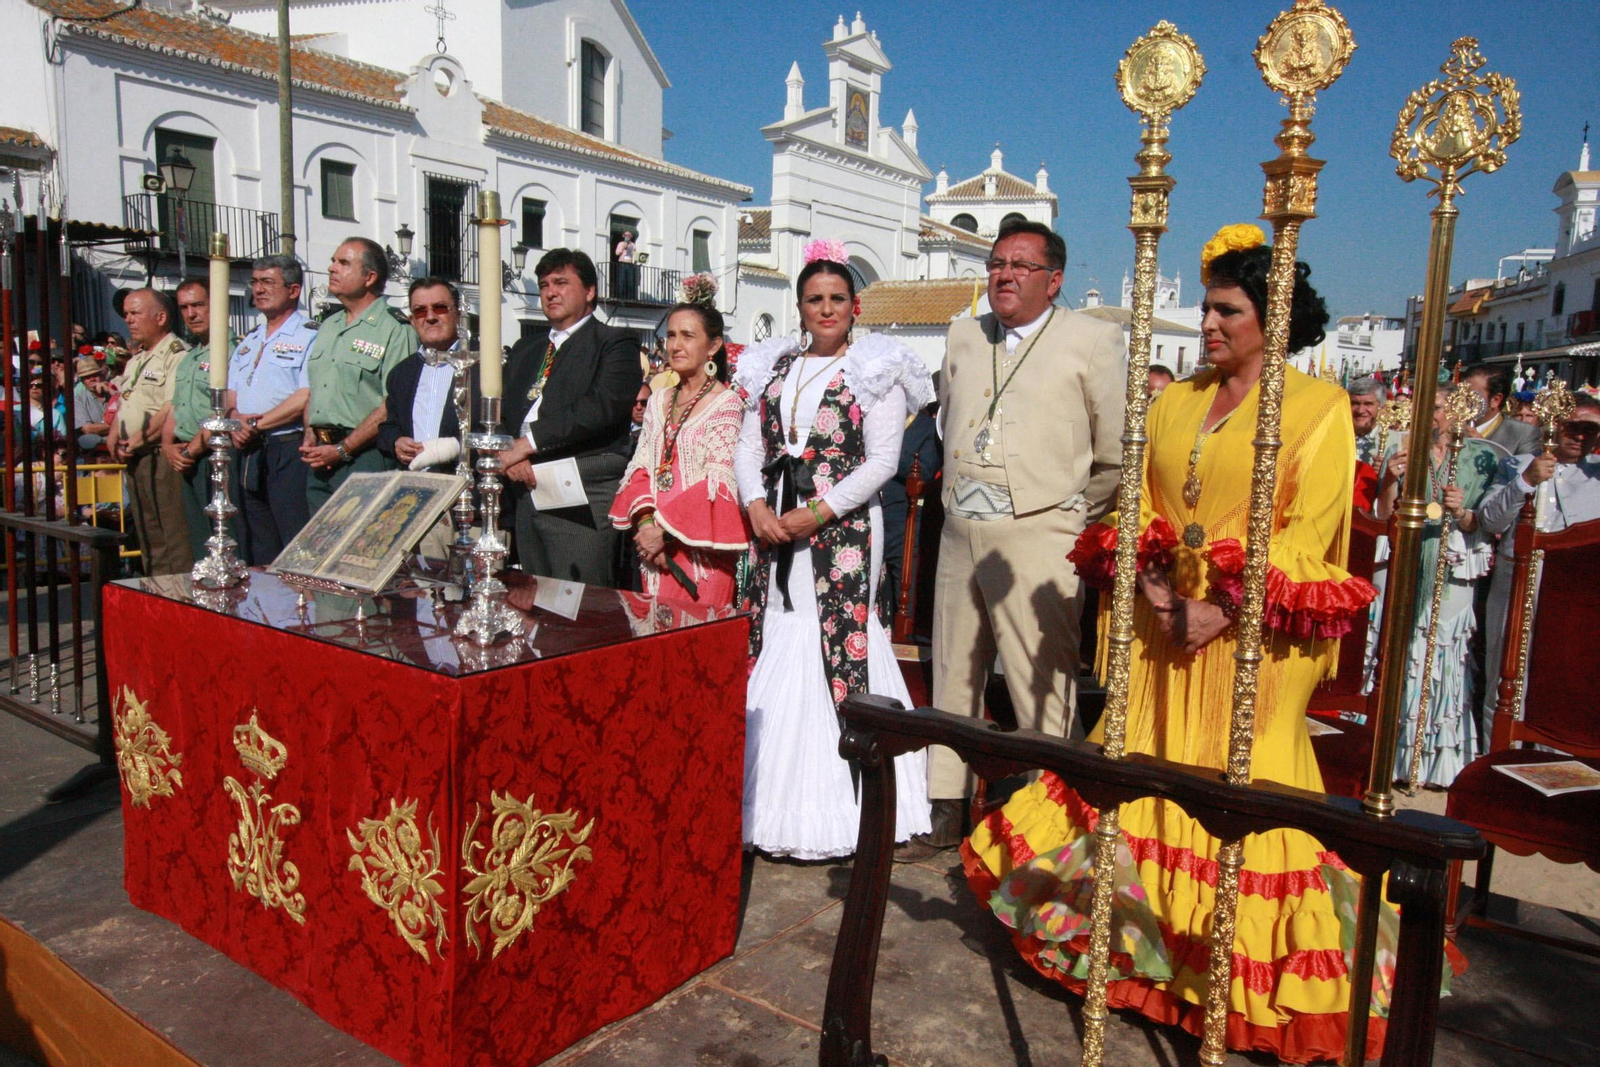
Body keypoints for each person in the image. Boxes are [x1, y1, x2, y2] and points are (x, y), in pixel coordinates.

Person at [963, 228, 1407, 1064]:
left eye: (1226, 310)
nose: (1207, 323)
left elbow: (1308, 535)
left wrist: (1226, 609)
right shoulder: (1173, 402)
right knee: (1144, 772)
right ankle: (1139, 951)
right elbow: (1136, 509)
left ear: (1273, 318)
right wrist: (1162, 592)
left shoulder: (1315, 408)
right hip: (1161, 631)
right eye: (1206, 308)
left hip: (1255, 643)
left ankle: (1230, 976)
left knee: (1244, 793)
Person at [920, 217, 1126, 857]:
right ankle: (944, 808)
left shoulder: (1091, 340)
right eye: (996, 264)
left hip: (1042, 530)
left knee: (1042, 680)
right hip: (960, 529)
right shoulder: (964, 334)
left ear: (1054, 280)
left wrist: (1067, 515)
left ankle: (1049, 820)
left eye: (1020, 266)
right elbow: (948, 418)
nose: (1004, 275)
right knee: (953, 671)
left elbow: (1117, 454)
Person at [734, 243, 933, 860]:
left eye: (837, 299)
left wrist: (816, 512)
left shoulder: (875, 369)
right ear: (799, 306)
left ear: (855, 306)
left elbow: (883, 462)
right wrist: (756, 505)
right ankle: (768, 800)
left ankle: (848, 804)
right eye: (815, 299)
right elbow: (749, 447)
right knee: (776, 629)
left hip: (841, 530)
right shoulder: (773, 367)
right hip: (774, 524)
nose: (826, 309)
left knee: (836, 636)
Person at [1366, 385, 1500, 787]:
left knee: (1443, 656)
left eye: (1439, 408)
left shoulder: (1483, 458)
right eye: (1428, 407)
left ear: (1458, 412)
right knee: (1401, 653)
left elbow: (1483, 523)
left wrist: (1462, 511)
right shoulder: (1403, 449)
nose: (1432, 415)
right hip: (1407, 563)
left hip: (1453, 568)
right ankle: (1389, 756)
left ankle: (1434, 761)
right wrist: (1390, 481)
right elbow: (1383, 516)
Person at [501, 248, 640, 584]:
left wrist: (528, 444)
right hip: (523, 487)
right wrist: (510, 453)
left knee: (577, 598)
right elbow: (502, 408)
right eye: (544, 285)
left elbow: (600, 407)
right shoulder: (526, 349)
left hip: (581, 489)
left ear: (589, 291)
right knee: (534, 593)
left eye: (561, 283)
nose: (550, 292)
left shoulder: (614, 343)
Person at [1474, 392, 1600, 746]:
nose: (1580, 437)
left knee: (1564, 677)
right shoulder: (1517, 465)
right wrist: (1526, 481)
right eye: (1572, 427)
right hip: (1518, 580)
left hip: (1575, 592)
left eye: (1591, 430)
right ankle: (1498, 755)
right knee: (1507, 675)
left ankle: (1553, 756)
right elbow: (1490, 520)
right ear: (1554, 424)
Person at [608, 302, 747, 606]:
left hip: (700, 557)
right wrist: (646, 525)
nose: (675, 345)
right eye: (671, 335)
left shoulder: (726, 403)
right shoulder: (658, 400)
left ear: (713, 346)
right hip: (652, 553)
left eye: (687, 336)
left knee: (697, 633)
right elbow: (640, 467)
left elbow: (719, 483)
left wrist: (664, 534)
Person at [301, 237, 417, 515]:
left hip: (365, 457)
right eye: (333, 261)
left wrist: (344, 449)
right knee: (321, 539)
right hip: (321, 457)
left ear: (369, 277)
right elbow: (317, 389)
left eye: (343, 263)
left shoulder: (394, 328)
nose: (332, 268)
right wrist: (310, 432)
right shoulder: (329, 325)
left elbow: (393, 403)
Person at [376, 277, 474, 559]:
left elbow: (500, 427)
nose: (430, 317)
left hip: (469, 504)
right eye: (420, 311)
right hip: (417, 503)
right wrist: (396, 442)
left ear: (457, 313)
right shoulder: (402, 373)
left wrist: (449, 448)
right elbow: (388, 426)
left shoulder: (483, 364)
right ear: (412, 319)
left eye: (439, 308)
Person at [230, 254, 317, 566]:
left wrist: (256, 424)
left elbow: (306, 394)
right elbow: (230, 391)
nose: (258, 289)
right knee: (256, 543)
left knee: (294, 544)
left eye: (268, 282)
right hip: (247, 450)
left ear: (293, 290)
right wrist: (235, 420)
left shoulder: (310, 335)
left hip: (286, 448)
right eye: (255, 282)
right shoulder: (250, 340)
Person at [113, 288, 192, 575]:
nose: (128, 320)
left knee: (172, 536)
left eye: (135, 313)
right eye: (126, 314)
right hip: (135, 456)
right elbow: (126, 403)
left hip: (160, 456)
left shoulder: (177, 355)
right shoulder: (136, 360)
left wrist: (138, 439)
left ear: (160, 317)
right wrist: (113, 436)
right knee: (148, 536)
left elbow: (171, 407)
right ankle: (155, 590)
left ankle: (177, 593)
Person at [164, 276, 235, 562]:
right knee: (198, 539)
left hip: (214, 455)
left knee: (222, 536)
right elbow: (176, 406)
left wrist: (193, 448)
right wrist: (167, 445)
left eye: (198, 305)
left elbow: (225, 407)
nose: (191, 314)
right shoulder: (189, 358)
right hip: (186, 456)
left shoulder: (232, 351)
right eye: (184, 308)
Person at [878, 382, 941, 623]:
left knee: (903, 599)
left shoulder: (926, 428)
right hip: (869, 519)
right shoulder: (873, 422)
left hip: (903, 524)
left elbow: (924, 471)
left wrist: (887, 450)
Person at [1462, 366, 1540, 457]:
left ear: (1495, 400)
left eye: (1470, 396)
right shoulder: (1450, 426)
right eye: (1460, 394)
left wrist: (1483, 448)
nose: (1461, 401)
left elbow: (1524, 465)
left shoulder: (1523, 433)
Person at [72, 356, 112, 454]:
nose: (92, 379)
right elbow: (87, 429)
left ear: (102, 376)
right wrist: (116, 427)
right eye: (87, 377)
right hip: (93, 450)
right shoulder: (78, 400)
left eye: (95, 375)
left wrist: (112, 392)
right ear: (82, 381)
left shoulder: (115, 393)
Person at [1348, 375, 1384, 466]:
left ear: (1382, 408)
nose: (1360, 410)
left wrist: (1386, 472)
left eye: (1368, 404)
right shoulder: (1334, 438)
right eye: (1355, 403)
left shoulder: (1397, 442)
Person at [613, 229, 637, 300]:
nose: (627, 236)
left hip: (630, 264)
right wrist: (623, 247)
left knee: (630, 281)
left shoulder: (633, 245)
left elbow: (634, 254)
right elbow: (617, 253)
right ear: (623, 236)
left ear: (631, 236)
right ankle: (620, 297)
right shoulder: (621, 244)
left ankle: (630, 297)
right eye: (626, 235)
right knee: (621, 281)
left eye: (629, 235)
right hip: (622, 264)